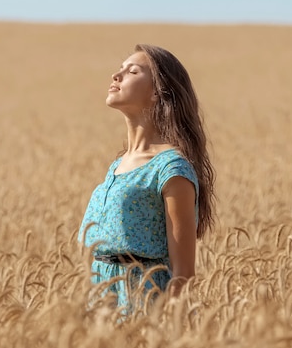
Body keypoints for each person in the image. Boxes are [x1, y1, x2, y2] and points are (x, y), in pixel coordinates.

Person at [78, 44, 215, 310]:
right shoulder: (118, 165)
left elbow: (183, 271)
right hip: (98, 304)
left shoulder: (172, 168)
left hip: (142, 305)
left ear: (156, 92)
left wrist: (166, 329)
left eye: (132, 71)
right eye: (119, 69)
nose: (116, 76)